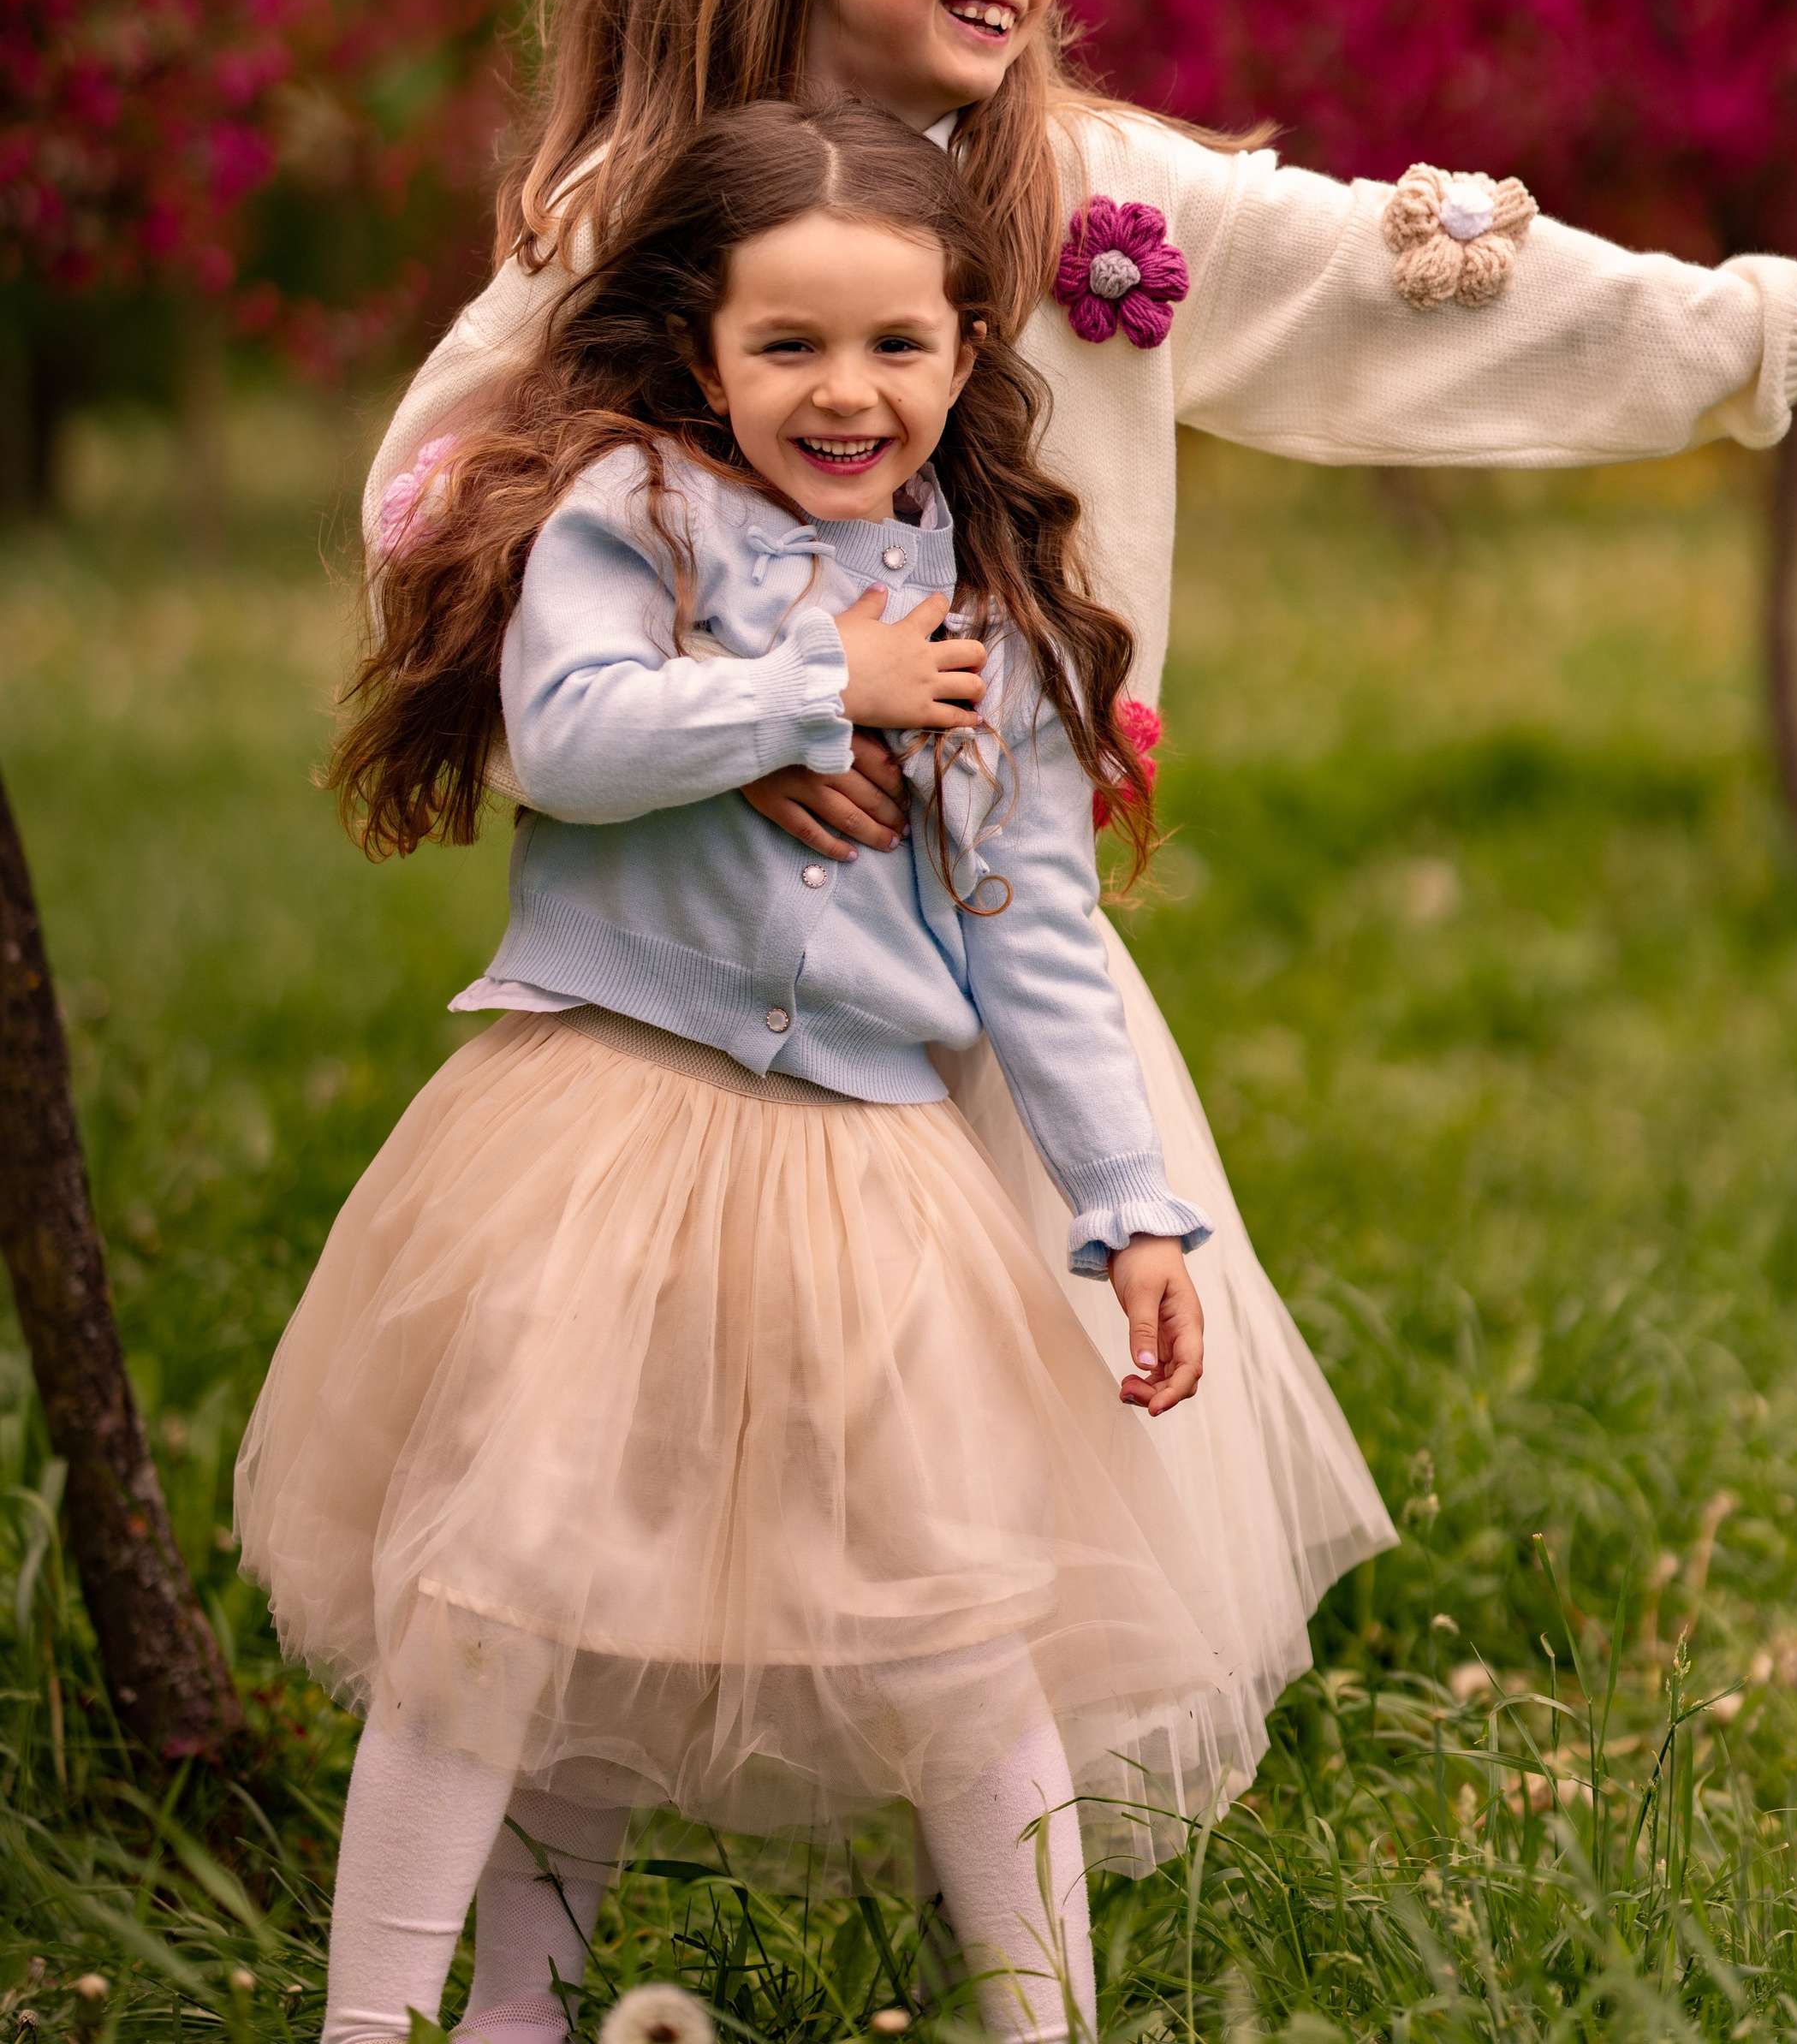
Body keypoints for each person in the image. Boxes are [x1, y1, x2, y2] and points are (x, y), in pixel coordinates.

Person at [359, 0, 1797, 1949]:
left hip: (990, 979)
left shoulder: (1101, 205)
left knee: (981, 1526)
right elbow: (437, 488)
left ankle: (992, 1955)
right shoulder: (653, 220)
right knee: (611, 1493)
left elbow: (1425, 294)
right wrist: (747, 714)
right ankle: (515, 1978)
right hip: (681, 1011)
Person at [241, 99, 1241, 2044]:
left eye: (894, 345)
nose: (843, 391)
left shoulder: (998, 612)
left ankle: (1049, 2027)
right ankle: (403, 2025)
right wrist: (819, 688)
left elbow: (1032, 933)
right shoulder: (636, 515)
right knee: (509, 1601)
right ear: (700, 348)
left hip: (865, 1178)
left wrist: (1127, 1210)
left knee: (956, 1637)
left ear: (968, 353)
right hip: (600, 1124)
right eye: (786, 345)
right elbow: (579, 734)